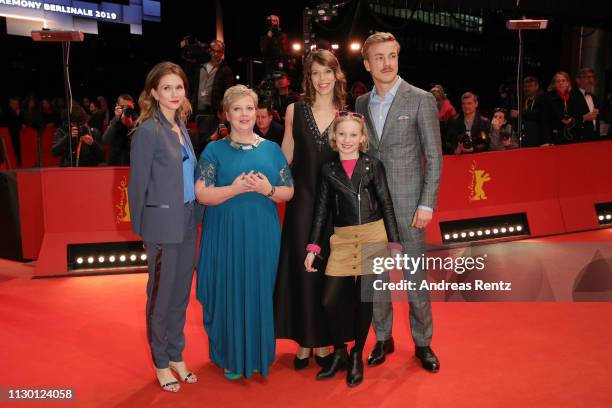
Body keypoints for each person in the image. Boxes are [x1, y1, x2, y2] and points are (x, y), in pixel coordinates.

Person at [355, 32, 442, 372]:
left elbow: (434, 157)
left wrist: (427, 203)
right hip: (372, 207)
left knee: (415, 277)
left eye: (392, 55)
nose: (387, 63)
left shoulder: (420, 99)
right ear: (367, 64)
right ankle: (383, 337)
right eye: (379, 57)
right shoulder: (361, 104)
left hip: (409, 206)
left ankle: (423, 343)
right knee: (374, 278)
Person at [195, 85, 294, 380]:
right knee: (229, 291)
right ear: (226, 114)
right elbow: (201, 194)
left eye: (249, 108)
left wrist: (269, 189)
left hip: (263, 235)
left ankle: (259, 355)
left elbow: (288, 191)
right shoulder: (214, 149)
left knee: (260, 291)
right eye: (237, 109)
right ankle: (231, 355)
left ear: (258, 112)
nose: (244, 114)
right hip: (225, 234)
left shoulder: (272, 149)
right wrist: (234, 189)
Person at [304, 111, 402, 387]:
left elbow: (386, 204)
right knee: (329, 300)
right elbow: (322, 211)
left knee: (365, 300)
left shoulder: (374, 166)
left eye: (353, 134)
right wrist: (313, 247)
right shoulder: (328, 170)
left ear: (362, 138)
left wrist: (394, 244)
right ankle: (340, 353)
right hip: (343, 240)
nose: (347, 140)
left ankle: (357, 354)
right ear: (335, 137)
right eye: (342, 134)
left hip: (373, 236)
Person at [128, 61, 202, 393]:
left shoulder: (182, 125)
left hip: (188, 220)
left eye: (179, 87)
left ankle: (176, 355)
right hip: (162, 226)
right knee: (160, 298)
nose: (174, 93)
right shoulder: (147, 130)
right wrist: (144, 230)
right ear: (155, 93)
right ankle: (161, 362)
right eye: (167, 88)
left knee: (180, 296)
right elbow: (137, 184)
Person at [274, 49, 347, 370]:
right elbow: (284, 157)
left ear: (336, 75)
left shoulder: (347, 114)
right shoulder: (294, 110)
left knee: (330, 274)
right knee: (302, 271)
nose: (322, 79)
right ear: (309, 77)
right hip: (302, 201)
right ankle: (304, 342)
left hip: (334, 205)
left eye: (327, 72)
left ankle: (325, 340)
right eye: (316, 73)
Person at [540, 71, 581, 145]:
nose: (561, 83)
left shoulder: (574, 97)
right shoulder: (547, 97)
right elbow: (544, 120)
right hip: (554, 138)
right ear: (554, 84)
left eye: (563, 80)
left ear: (568, 83)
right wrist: (547, 141)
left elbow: (578, 116)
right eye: (558, 81)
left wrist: (572, 120)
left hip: (571, 138)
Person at [510, 76, 547, 147]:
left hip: (537, 138)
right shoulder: (521, 100)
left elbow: (537, 115)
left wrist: (519, 114)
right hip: (523, 137)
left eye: (530, 86)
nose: (527, 88)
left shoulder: (542, 99)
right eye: (525, 86)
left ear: (537, 87)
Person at [103, 94, 137, 166]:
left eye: (128, 107)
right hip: (115, 165)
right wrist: (116, 120)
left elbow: (140, 144)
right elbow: (106, 140)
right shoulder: (115, 121)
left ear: (133, 105)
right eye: (123, 107)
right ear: (117, 106)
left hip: (133, 165)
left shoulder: (138, 120)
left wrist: (131, 126)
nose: (125, 109)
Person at [570, 67, 600, 141]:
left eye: (592, 77)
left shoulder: (594, 97)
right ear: (578, 80)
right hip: (578, 139)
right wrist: (583, 118)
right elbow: (568, 120)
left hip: (594, 138)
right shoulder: (571, 96)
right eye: (588, 77)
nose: (591, 80)